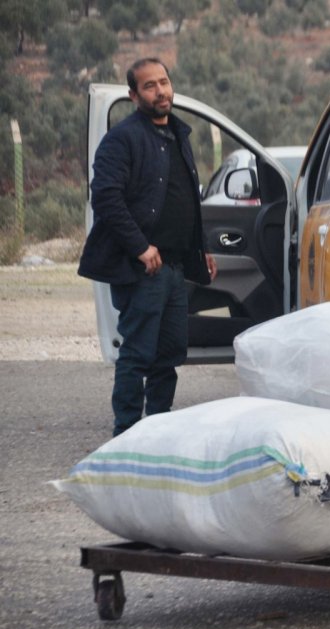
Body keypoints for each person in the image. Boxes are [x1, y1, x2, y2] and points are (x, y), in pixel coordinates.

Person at [79, 57, 217, 436]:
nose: (161, 91)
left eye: (164, 82)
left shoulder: (178, 134)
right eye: (150, 86)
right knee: (138, 353)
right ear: (133, 95)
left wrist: (200, 249)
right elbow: (105, 197)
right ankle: (126, 433)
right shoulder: (123, 139)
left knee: (169, 354)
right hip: (142, 268)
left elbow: (188, 199)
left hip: (174, 267)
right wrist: (141, 247)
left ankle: (157, 431)